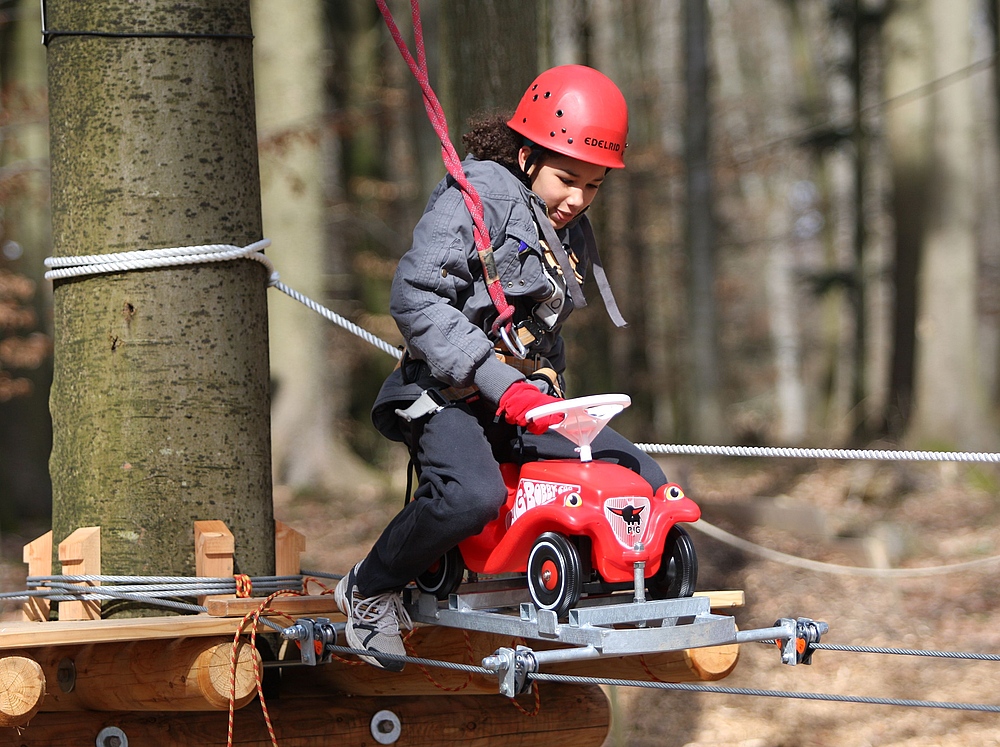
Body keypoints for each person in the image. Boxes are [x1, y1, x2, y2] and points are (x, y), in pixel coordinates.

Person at [335, 65, 669, 670]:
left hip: (521, 399)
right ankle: (369, 588)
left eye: (594, 186)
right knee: (472, 497)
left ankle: (602, 581)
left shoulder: (560, 227)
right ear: (526, 156)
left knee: (638, 474)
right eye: (568, 179)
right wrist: (500, 383)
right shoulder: (477, 197)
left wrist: (549, 391)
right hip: (444, 394)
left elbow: (543, 328)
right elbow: (415, 297)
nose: (578, 199)